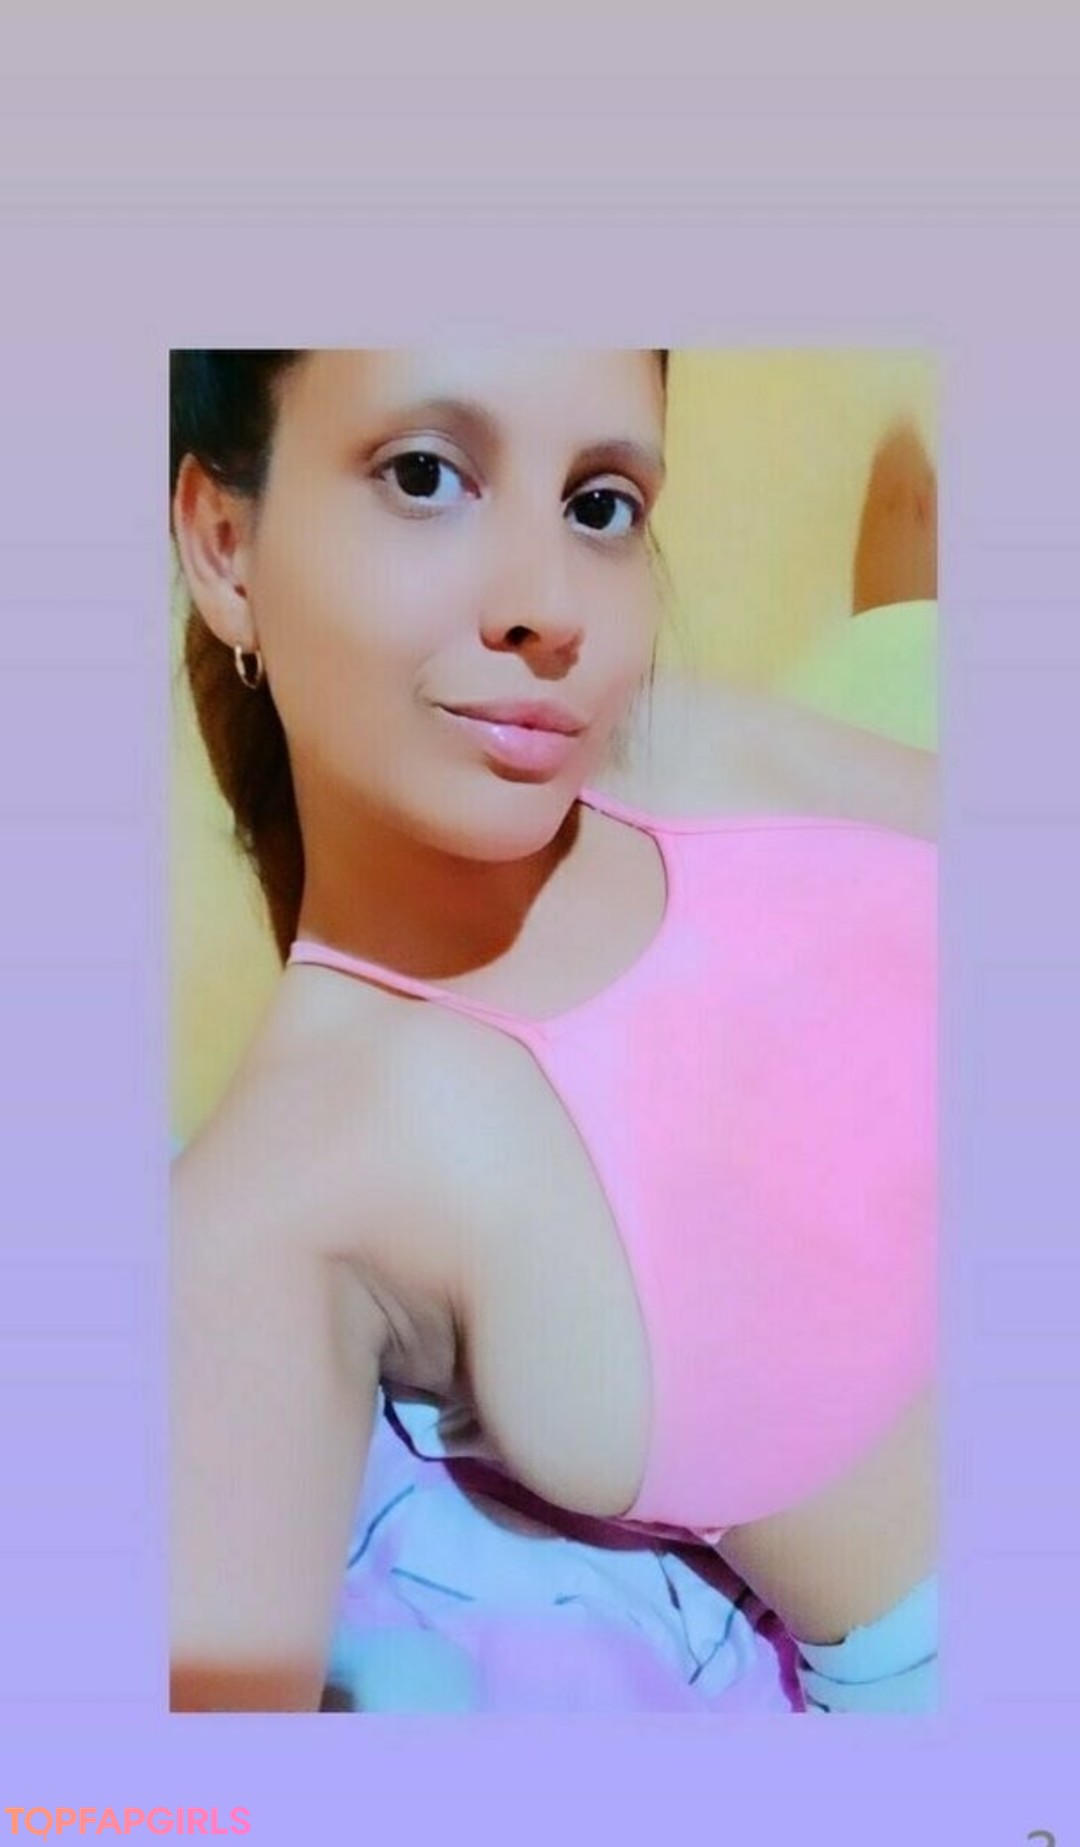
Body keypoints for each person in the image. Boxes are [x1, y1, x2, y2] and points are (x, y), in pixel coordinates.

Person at [170, 348, 936, 1714]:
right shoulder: (285, 1191)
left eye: (599, 504)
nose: (551, 605)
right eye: (424, 475)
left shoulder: (679, 753)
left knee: (915, 573)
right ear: (226, 543)